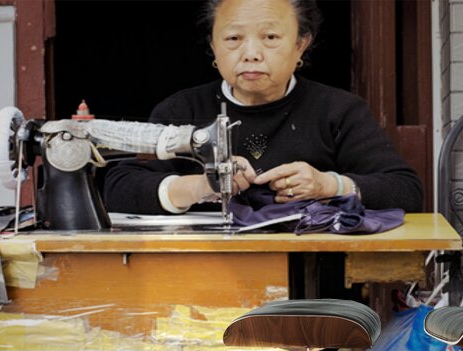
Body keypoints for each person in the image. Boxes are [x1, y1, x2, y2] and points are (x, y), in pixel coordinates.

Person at [103, 0, 423, 215]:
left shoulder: (338, 111)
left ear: (300, 44)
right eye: (233, 39)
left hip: (313, 282)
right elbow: (119, 188)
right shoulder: (181, 109)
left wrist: (329, 185)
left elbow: (405, 190)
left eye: (270, 37)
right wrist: (202, 186)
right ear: (213, 46)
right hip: (202, 279)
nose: (251, 53)